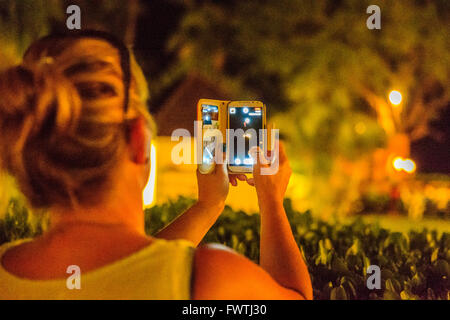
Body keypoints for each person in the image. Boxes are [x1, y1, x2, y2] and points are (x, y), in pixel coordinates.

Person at [0, 30, 312, 300]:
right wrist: (271, 201)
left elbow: (129, 271)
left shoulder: (6, 269)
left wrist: (208, 205)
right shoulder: (209, 279)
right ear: (138, 139)